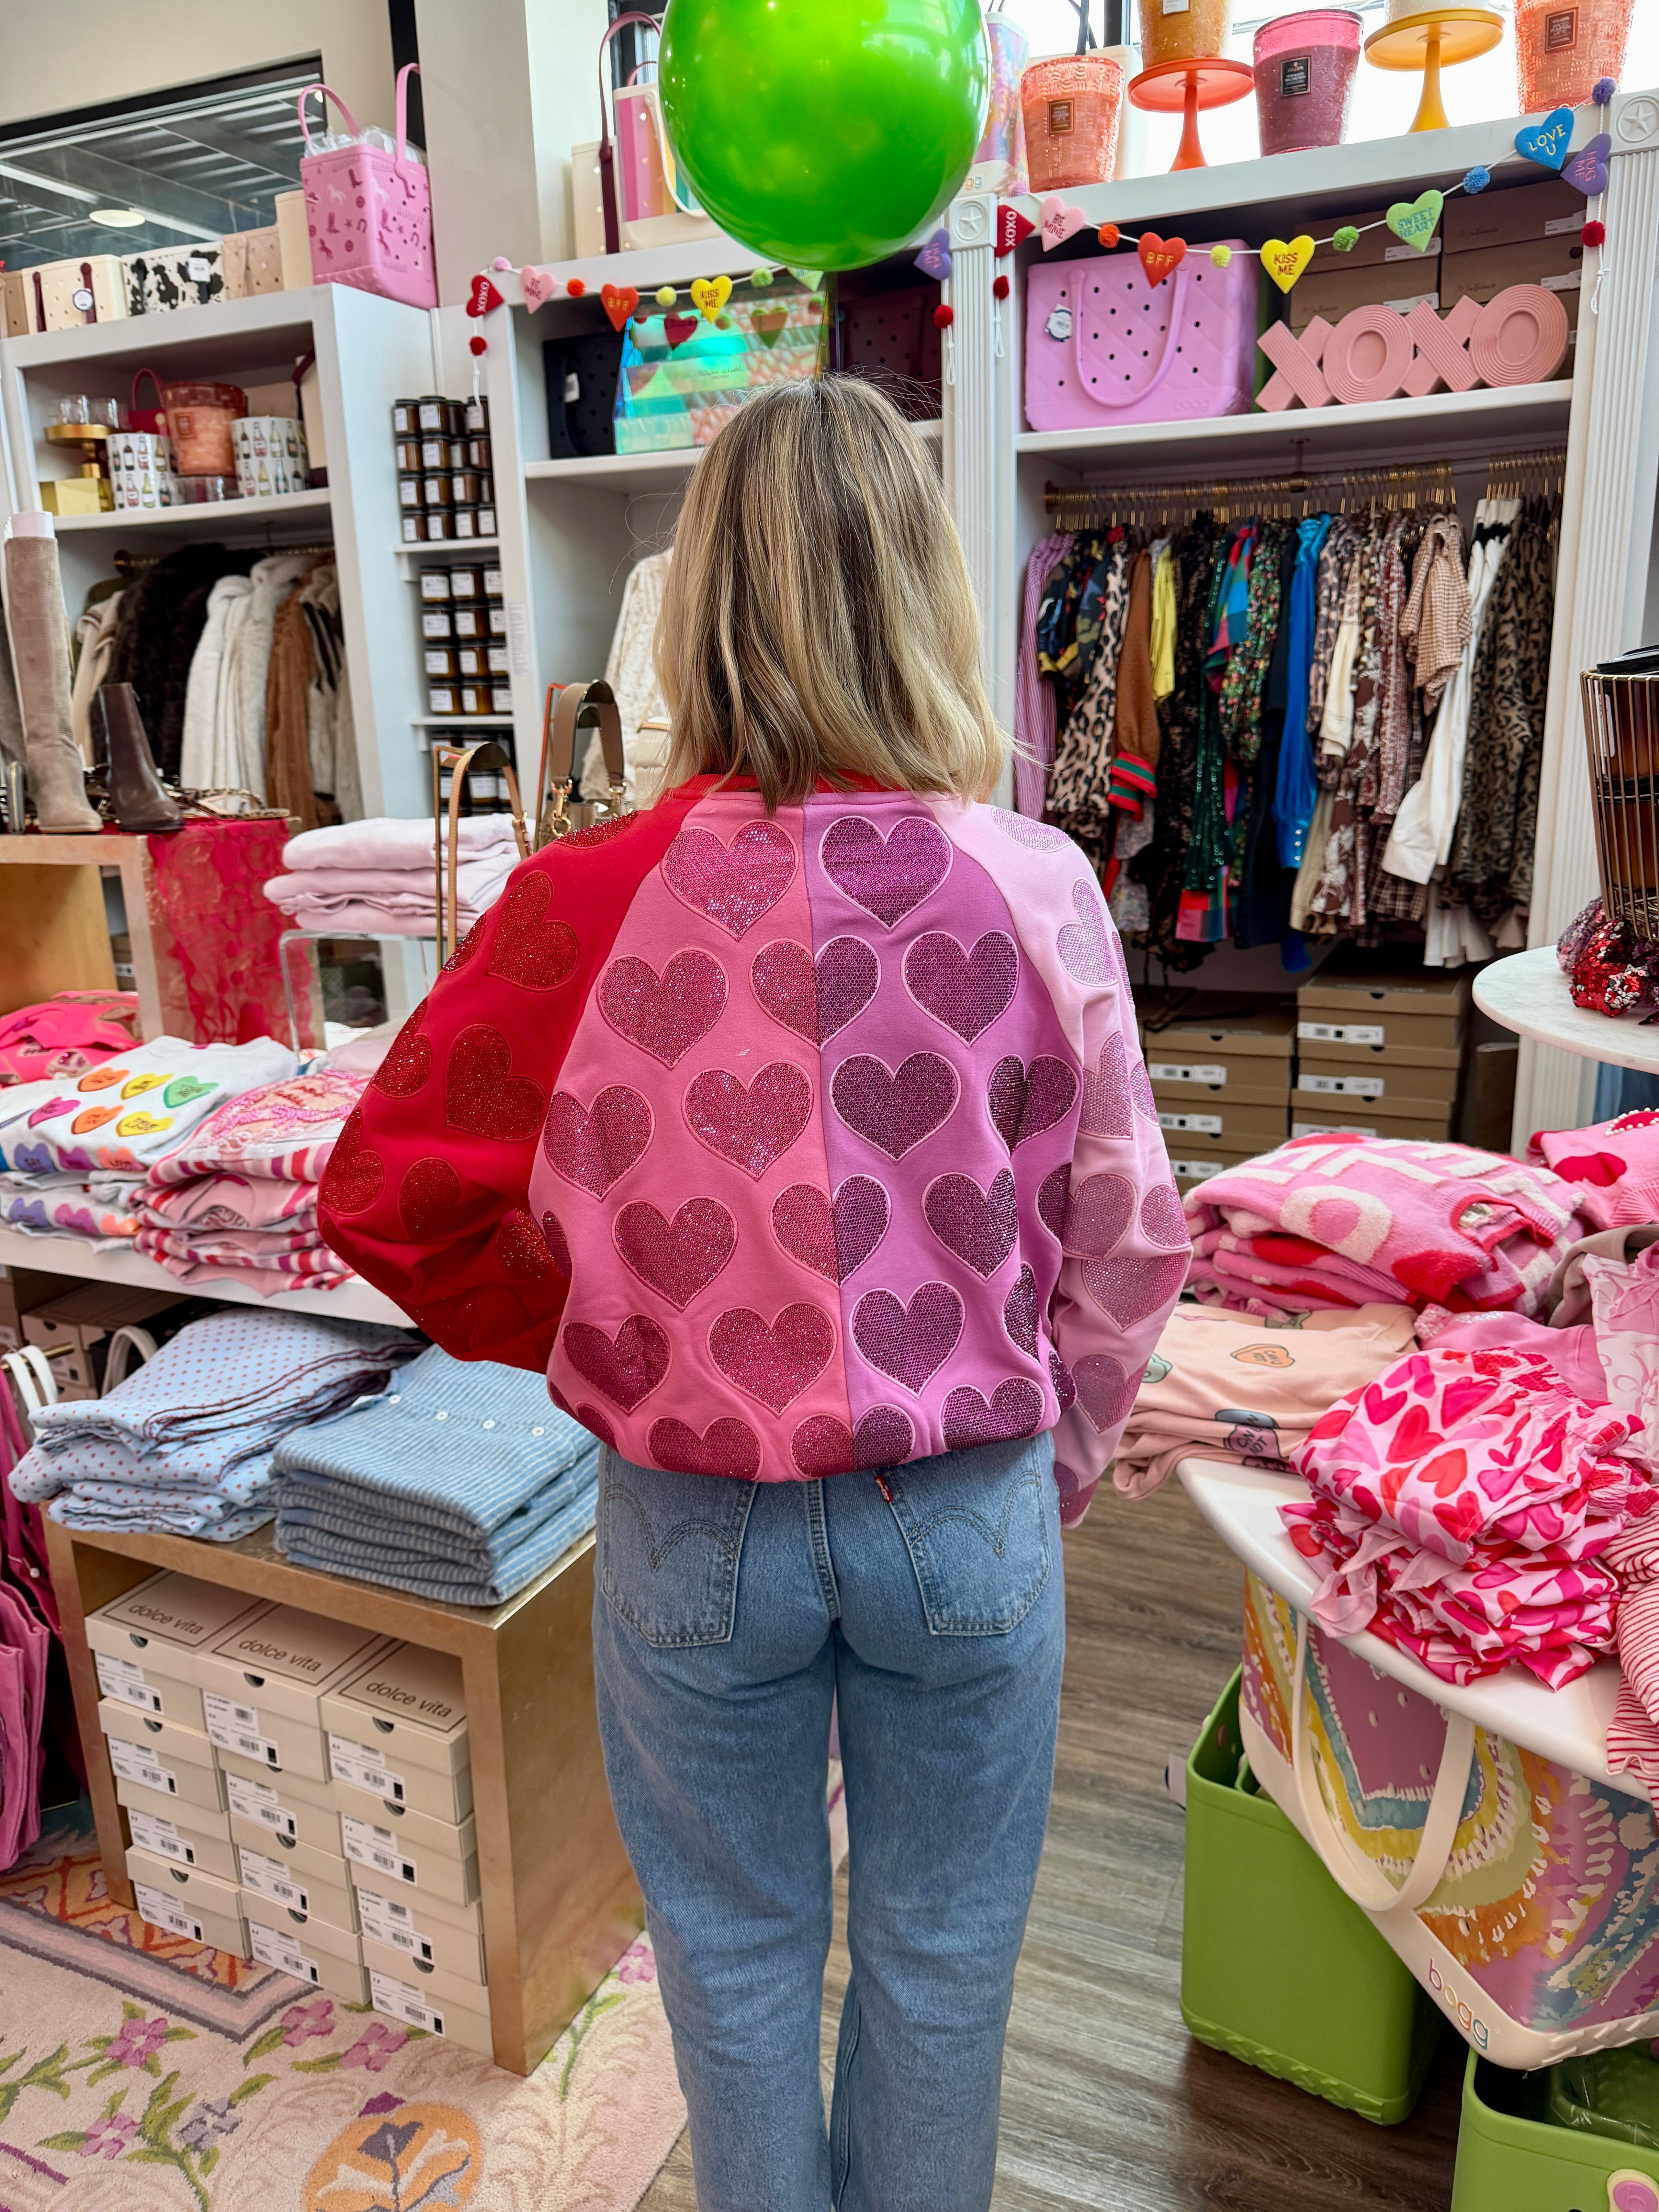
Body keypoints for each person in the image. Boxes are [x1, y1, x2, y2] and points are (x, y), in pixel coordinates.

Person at [322, 375, 1185, 2211]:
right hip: (965, 1498)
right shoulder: (1033, 881)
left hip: (693, 1513)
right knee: (945, 1963)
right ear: (926, 594)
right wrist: (1058, 1462)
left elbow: (389, 1199)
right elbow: (1125, 1232)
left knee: (728, 1960)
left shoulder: (580, 900)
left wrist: (605, 1332)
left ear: (696, 606)